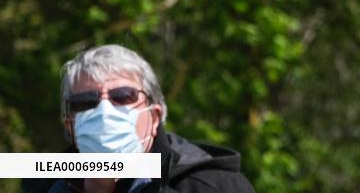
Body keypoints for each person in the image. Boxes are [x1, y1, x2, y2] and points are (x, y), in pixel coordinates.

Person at [23, 44, 254, 193]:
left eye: (123, 97)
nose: (105, 112)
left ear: (154, 116)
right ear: (69, 124)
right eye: (85, 102)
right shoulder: (41, 185)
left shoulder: (215, 186)